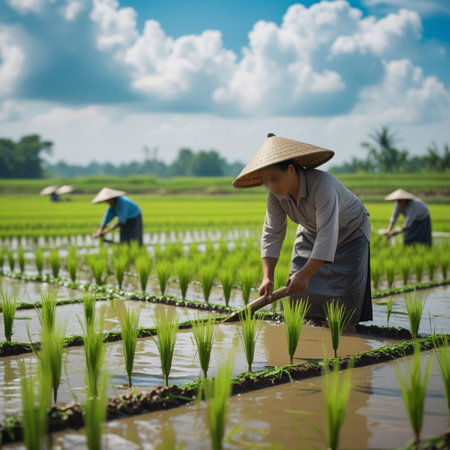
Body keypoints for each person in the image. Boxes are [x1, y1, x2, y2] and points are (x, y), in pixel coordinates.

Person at [233, 133, 373, 326]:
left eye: (275, 179)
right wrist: (268, 277)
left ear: (291, 170)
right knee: (300, 299)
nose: (272, 186)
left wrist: (306, 273)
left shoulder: (323, 186)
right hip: (309, 232)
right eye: (267, 182)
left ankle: (346, 340)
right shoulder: (275, 197)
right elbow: (272, 233)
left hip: (350, 233)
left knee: (343, 307)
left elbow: (327, 233)